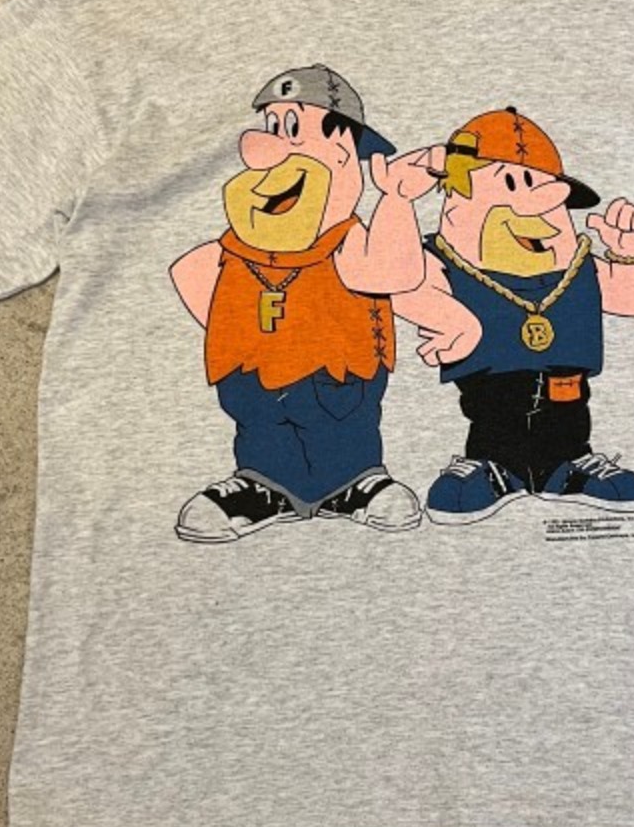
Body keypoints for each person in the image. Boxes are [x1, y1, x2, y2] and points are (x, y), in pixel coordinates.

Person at [169, 63, 441, 541]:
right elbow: (189, 273)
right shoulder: (238, 245)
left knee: (342, 426)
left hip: (336, 383)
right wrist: (243, 330)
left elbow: (394, 272)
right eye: (272, 127)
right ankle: (262, 485)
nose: (269, 147)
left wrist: (397, 200)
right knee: (261, 427)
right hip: (256, 384)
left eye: (292, 129)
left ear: (343, 151)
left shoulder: (345, 240)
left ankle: (357, 483)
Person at [392, 107, 634, 524]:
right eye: (513, 184)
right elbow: (400, 281)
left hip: (566, 391)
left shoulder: (577, 267)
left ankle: (567, 466)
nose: (541, 208)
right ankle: (494, 468)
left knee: (568, 418)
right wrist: (446, 315)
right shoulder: (447, 262)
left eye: (550, 193)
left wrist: (630, 255)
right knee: (494, 419)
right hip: (491, 394)